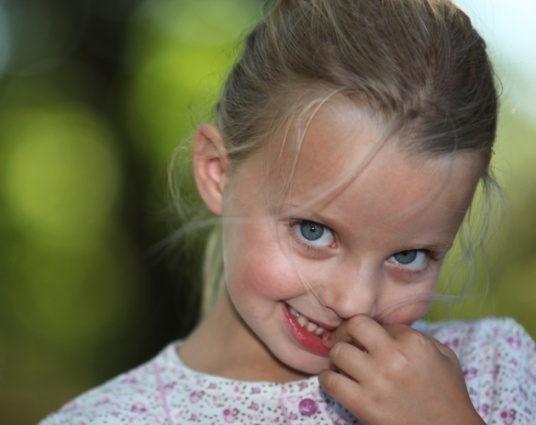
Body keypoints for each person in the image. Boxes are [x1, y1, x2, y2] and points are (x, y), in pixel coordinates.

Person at [40, 0, 536, 423]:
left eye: (409, 256)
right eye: (314, 231)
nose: (355, 301)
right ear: (218, 172)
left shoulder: (493, 369)